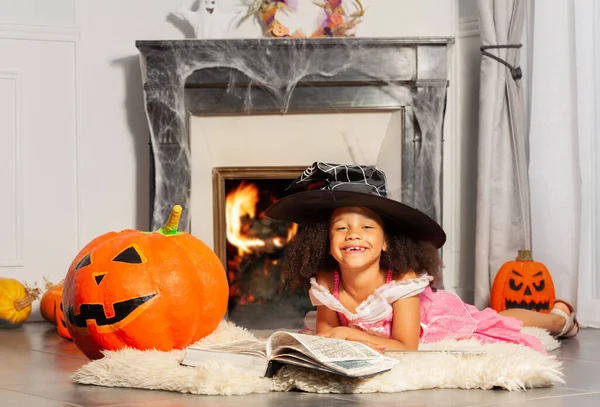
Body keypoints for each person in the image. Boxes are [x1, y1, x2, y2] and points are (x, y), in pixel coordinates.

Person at [264, 162, 579, 353]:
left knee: (493, 320)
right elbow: (326, 337)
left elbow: (405, 347)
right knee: (495, 317)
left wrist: (349, 333)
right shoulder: (325, 280)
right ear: (326, 242)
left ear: (387, 242)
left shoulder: (401, 280)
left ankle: (558, 319)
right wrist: (341, 337)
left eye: (367, 227)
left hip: (431, 319)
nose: (353, 234)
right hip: (382, 333)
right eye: (341, 228)